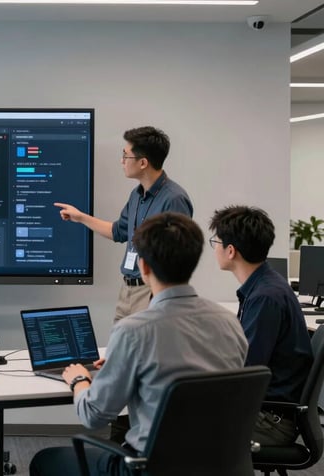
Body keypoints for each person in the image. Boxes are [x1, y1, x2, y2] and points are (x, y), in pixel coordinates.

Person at [29, 213, 248, 476]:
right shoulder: (229, 322)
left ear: (143, 267)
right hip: (220, 464)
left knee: (45, 461)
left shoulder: (133, 331)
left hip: (149, 467)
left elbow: (94, 415)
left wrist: (79, 381)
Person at [54, 126, 193, 323]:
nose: (122, 161)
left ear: (143, 162)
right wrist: (81, 217)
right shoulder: (137, 195)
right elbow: (118, 231)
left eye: (125, 156)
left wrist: (159, 296)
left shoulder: (174, 199)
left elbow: (179, 257)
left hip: (152, 292)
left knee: (144, 351)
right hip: (128, 289)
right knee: (121, 349)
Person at [209, 205, 313, 445]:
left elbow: (245, 371)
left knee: (172, 428)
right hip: (267, 410)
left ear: (231, 251)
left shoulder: (265, 297)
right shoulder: (265, 285)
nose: (214, 247)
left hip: (269, 420)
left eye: (216, 241)